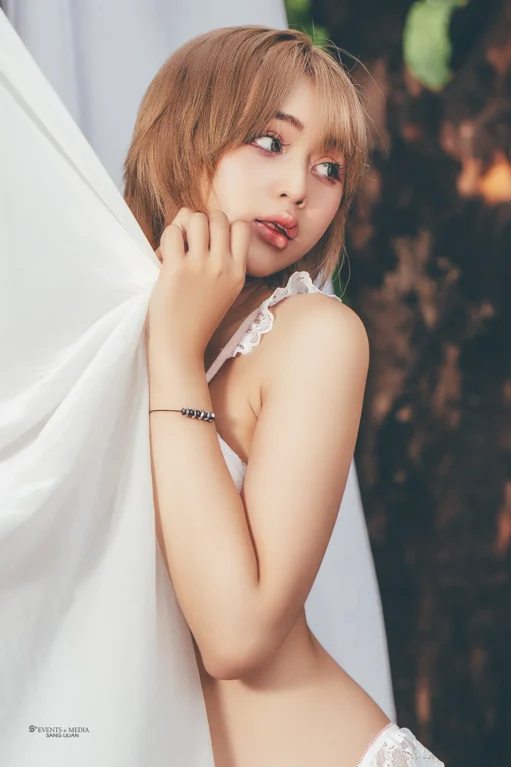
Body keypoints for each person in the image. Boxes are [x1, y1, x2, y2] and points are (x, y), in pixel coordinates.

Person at [124, 26, 445, 766]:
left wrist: (175, 355)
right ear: (185, 132)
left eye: (329, 168)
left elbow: (235, 638)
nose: (300, 188)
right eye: (270, 142)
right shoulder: (105, 322)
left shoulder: (315, 336)